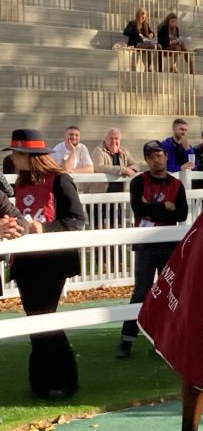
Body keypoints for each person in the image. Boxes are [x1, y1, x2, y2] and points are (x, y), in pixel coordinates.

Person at [5, 129, 86, 399]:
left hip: (53, 261)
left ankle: (62, 380)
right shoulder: (21, 182)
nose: (13, 159)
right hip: (25, 261)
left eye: (16, 153)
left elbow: (77, 220)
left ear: (29, 156)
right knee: (34, 319)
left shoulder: (61, 180)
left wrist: (45, 228)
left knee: (45, 317)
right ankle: (43, 382)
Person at [116, 141, 189, 359]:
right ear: (146, 160)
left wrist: (152, 208)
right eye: (151, 156)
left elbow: (181, 214)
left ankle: (165, 340)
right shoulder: (138, 182)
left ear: (166, 156)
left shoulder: (176, 185)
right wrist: (165, 207)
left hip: (169, 246)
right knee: (141, 292)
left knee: (170, 293)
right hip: (146, 244)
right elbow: (138, 208)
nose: (156, 160)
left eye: (159, 155)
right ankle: (126, 340)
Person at [90, 128, 141, 195]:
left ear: (120, 140)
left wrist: (131, 169)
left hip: (118, 195)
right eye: (111, 138)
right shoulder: (98, 151)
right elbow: (99, 167)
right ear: (105, 139)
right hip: (100, 195)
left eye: (116, 139)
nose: (114, 141)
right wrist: (122, 170)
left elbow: (136, 166)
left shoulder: (124, 152)